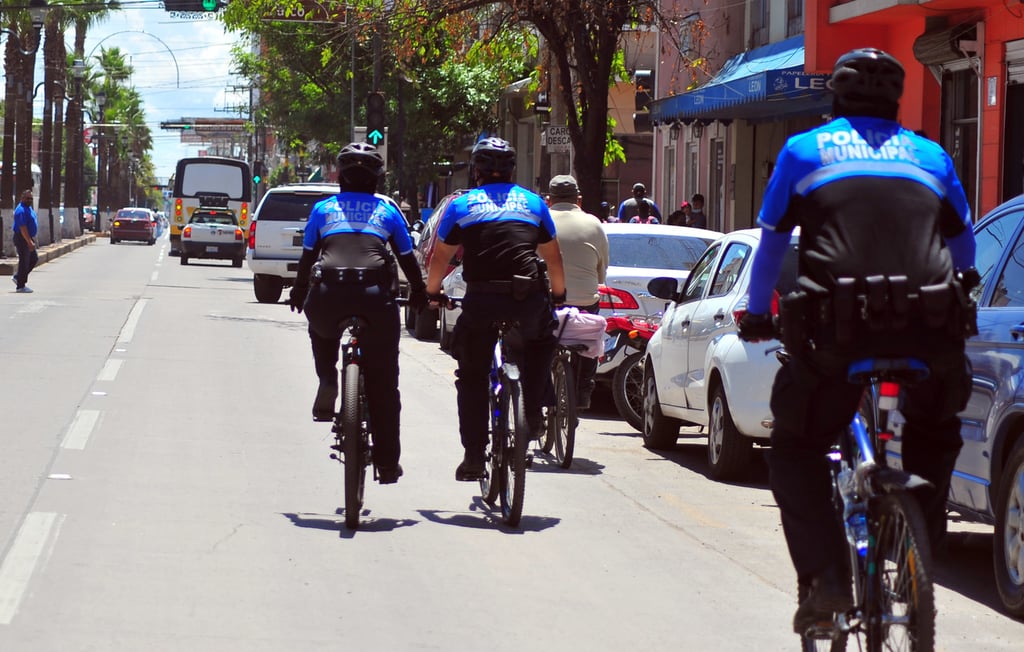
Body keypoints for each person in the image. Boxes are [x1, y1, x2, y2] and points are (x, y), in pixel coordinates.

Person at [736, 48, 977, 635]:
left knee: (796, 448)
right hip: (928, 330)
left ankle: (825, 582)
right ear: (896, 101)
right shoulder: (931, 154)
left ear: (837, 97)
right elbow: (964, 248)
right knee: (935, 431)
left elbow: (771, 247)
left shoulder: (804, 150)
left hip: (836, 330)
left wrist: (756, 313)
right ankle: (916, 548)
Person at [424, 137, 566, 481]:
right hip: (527, 298)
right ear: (512, 171)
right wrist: (559, 295)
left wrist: (432, 293)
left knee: (472, 376)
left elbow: (440, 258)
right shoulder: (534, 203)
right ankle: (532, 414)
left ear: (476, 171)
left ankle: (474, 455)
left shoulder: (461, 205)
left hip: (481, 301)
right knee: (542, 343)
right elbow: (553, 257)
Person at [288, 142, 427, 485]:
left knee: (320, 329)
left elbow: (308, 258)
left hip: (328, 294)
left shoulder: (323, 209)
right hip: (374, 297)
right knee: (385, 385)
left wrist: (299, 292)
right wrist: (420, 293)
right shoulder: (388, 210)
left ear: (340, 176)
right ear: (378, 179)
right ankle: (387, 464)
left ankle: (327, 378)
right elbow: (407, 259)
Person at [545, 174, 609, 409]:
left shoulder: (541, 221)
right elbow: (601, 274)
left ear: (549, 200)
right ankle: (583, 388)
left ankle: (540, 388)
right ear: (578, 200)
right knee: (590, 338)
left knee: (537, 341)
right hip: (585, 301)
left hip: (548, 300)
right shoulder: (594, 224)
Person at [12, 189, 39, 294]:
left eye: (31, 198)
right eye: (27, 198)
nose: (29, 200)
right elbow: (22, 228)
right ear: (22, 198)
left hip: (28, 237)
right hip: (22, 238)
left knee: (33, 258)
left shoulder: (28, 208)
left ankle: (18, 277)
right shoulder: (21, 210)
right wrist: (29, 241)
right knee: (24, 261)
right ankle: (20, 286)